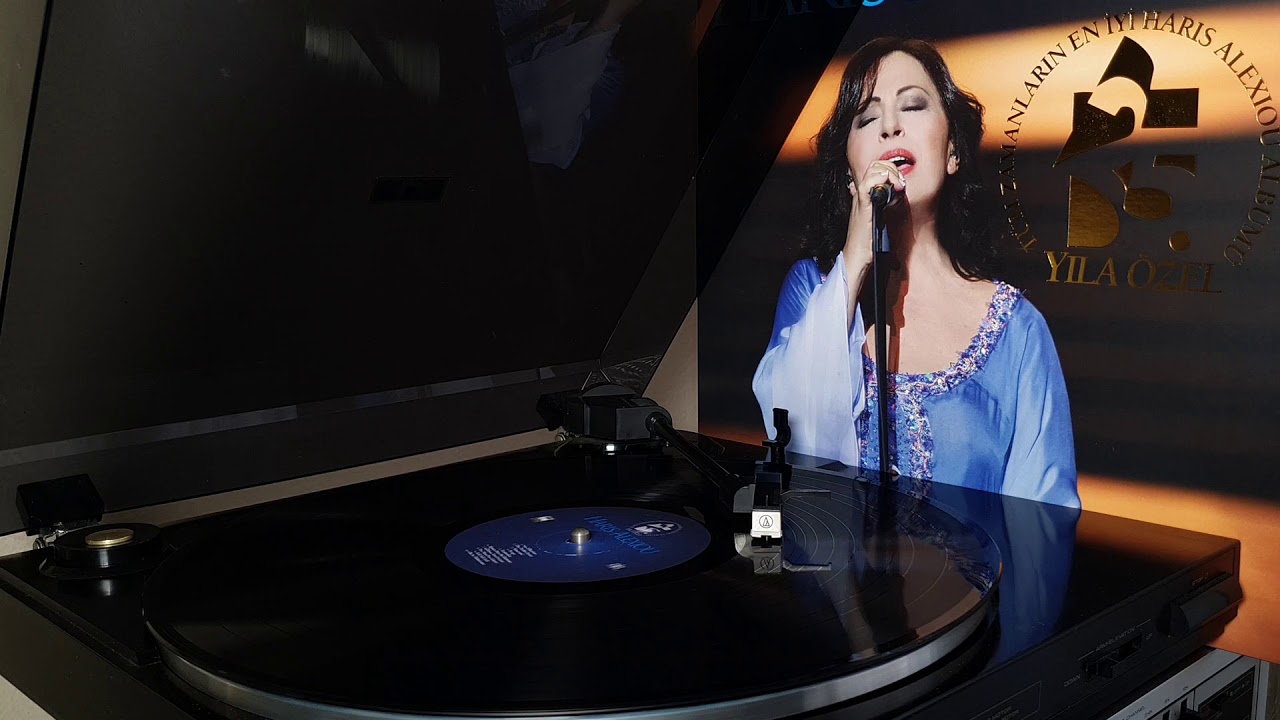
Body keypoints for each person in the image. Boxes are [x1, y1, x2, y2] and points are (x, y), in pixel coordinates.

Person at [751, 37, 1080, 508]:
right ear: (848, 172)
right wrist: (855, 255)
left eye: (912, 106)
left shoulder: (1017, 329)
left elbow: (1043, 516)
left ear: (952, 151)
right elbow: (790, 441)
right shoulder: (812, 289)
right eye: (867, 118)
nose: (890, 126)